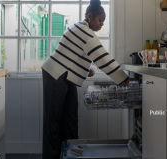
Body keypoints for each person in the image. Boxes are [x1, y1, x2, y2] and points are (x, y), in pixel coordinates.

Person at [41, 0, 137, 158]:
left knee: (71, 119)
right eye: (100, 20)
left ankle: (70, 154)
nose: (101, 24)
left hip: (65, 76)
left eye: (103, 21)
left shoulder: (78, 27)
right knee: (53, 123)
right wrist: (125, 80)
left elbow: (73, 55)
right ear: (90, 16)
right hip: (55, 75)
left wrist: (87, 68)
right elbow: (103, 58)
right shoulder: (85, 32)